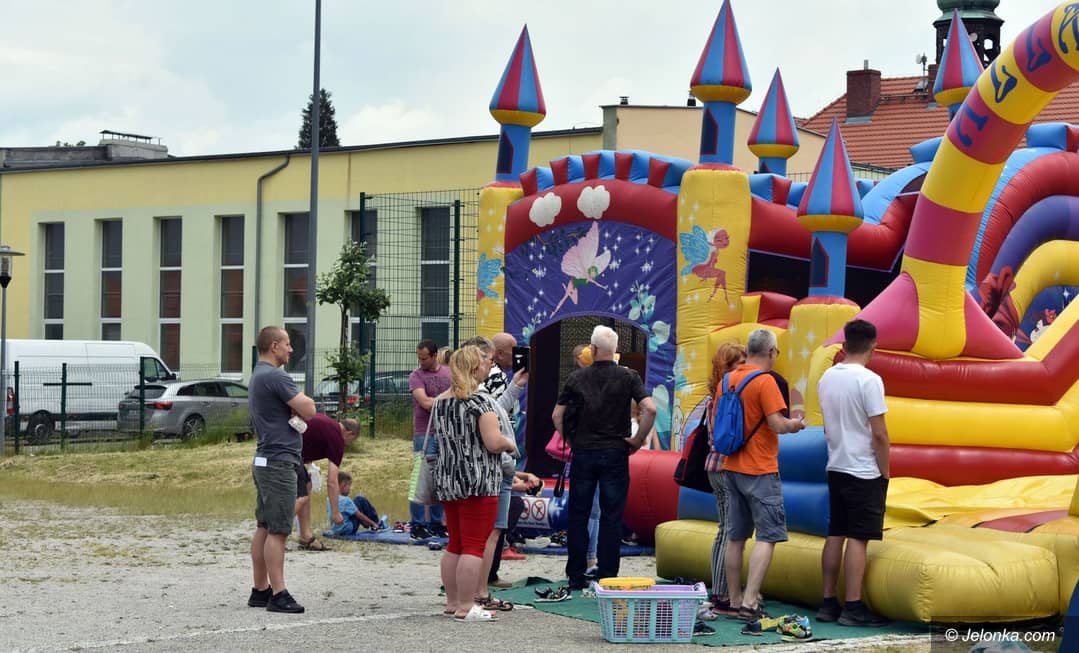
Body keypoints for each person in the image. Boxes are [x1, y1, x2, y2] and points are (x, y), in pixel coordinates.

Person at [553, 325, 656, 590]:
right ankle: (608, 573)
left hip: (584, 452)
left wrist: (571, 440)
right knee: (612, 515)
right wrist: (637, 440)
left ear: (594, 349)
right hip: (615, 452)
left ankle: (576, 574)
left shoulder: (577, 378)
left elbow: (557, 415)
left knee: (579, 513)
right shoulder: (628, 376)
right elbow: (650, 409)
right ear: (615, 349)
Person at [721, 328, 805, 622]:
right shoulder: (765, 381)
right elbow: (777, 424)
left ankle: (734, 601)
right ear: (771, 352)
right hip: (760, 468)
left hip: (731, 465)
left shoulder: (727, 380)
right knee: (767, 537)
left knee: (735, 537)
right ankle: (750, 601)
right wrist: (796, 424)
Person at [430, 345, 517, 622]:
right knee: (474, 545)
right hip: (478, 481)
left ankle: (453, 602)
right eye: (483, 362)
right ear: (474, 368)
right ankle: (467, 607)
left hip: (448, 480)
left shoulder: (441, 402)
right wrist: (509, 443)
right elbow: (493, 442)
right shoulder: (481, 402)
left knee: (455, 544)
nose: (487, 366)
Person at [816, 319, 891, 627]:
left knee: (836, 533)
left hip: (836, 464)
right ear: (873, 347)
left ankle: (827, 602)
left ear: (845, 345)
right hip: (863, 469)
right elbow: (879, 433)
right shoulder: (870, 380)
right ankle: (853, 605)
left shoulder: (827, 377)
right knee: (859, 538)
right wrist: (885, 471)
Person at [247, 326, 315, 614]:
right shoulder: (275, 375)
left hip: (265, 459)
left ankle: (260, 589)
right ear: (274, 346)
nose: (291, 349)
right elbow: (310, 409)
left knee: (264, 526)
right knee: (278, 530)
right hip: (279, 462)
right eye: (287, 344)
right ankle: (278, 594)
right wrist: (299, 405)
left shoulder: (257, 374)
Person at [461, 336, 529, 594]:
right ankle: (479, 590)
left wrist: (515, 387)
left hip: (470, 469)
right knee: (489, 533)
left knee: (466, 537)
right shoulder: (485, 387)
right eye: (488, 360)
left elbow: (494, 411)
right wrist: (509, 450)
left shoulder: (453, 396)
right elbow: (492, 428)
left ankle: (464, 593)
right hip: (491, 465)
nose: (491, 365)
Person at [700, 342, 746, 619]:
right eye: (739, 363)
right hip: (725, 466)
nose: (744, 368)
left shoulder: (712, 397)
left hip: (713, 465)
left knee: (723, 529)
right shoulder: (728, 396)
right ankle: (722, 593)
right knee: (730, 530)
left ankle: (718, 589)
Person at [293, 415, 360, 550]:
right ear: (349, 433)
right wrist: (335, 512)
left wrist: (310, 464)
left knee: (306, 485)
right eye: (351, 440)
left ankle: (305, 535)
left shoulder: (327, 423)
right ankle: (274, 531)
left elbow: (307, 437)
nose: (348, 444)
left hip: (283, 445)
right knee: (302, 496)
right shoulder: (337, 439)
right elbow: (332, 481)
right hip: (287, 452)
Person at [409, 339, 452, 540]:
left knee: (440, 479)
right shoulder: (416, 376)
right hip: (424, 432)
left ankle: (436, 523)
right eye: (419, 358)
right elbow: (425, 403)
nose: (421, 362)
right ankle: (417, 524)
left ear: (435, 355)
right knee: (420, 478)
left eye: (424, 358)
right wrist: (448, 399)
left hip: (445, 432)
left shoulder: (448, 374)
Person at [326, 471, 382, 536]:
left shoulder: (329, 498)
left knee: (353, 508)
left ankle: (367, 523)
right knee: (359, 499)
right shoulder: (346, 500)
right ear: (343, 484)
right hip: (348, 530)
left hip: (336, 530)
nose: (350, 489)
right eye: (349, 486)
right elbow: (359, 515)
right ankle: (377, 522)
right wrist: (373, 523)